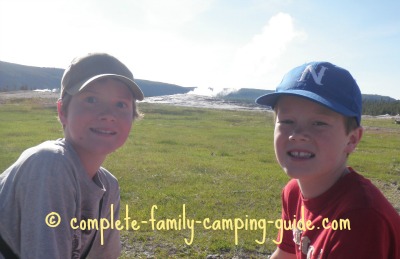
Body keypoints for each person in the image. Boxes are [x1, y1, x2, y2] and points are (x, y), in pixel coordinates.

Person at [0, 53, 144, 258]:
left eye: (120, 104)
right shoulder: (49, 164)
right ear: (62, 111)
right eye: (91, 99)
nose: (108, 114)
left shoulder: (109, 186)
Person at [255, 61, 400, 259]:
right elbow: (285, 254)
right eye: (287, 121)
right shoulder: (294, 192)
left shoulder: (361, 217)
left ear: (352, 139)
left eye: (318, 123)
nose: (297, 135)